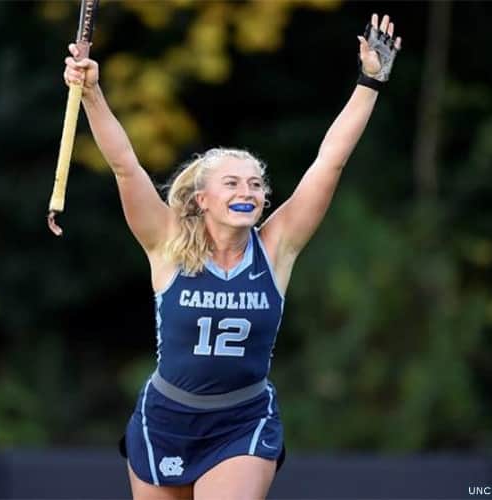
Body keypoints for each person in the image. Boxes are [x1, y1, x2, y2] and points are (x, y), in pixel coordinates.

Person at [63, 12, 401, 499]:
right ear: (202, 199)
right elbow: (124, 165)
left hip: (242, 420)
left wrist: (370, 80)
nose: (249, 191)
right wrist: (92, 94)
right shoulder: (167, 244)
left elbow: (331, 159)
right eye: (232, 183)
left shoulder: (276, 247)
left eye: (256, 184)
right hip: (166, 419)